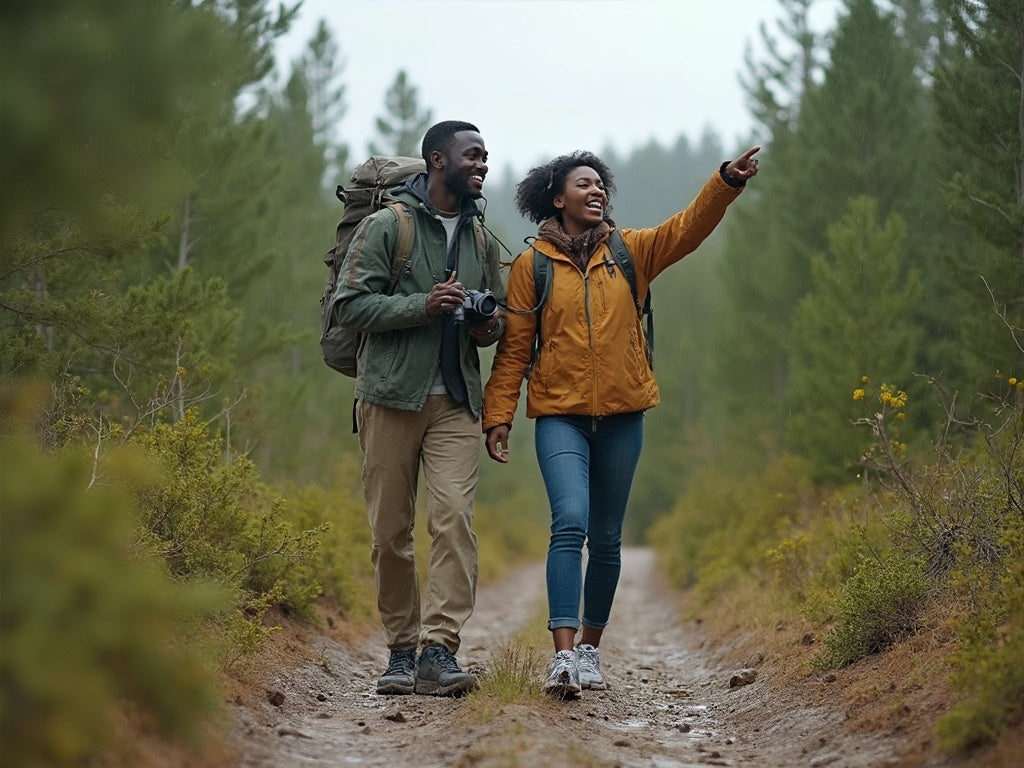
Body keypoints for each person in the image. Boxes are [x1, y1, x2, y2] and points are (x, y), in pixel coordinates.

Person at [482, 146, 760, 697]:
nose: (595, 191)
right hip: (560, 417)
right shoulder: (530, 266)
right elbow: (514, 351)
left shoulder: (630, 250)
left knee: (607, 537)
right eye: (583, 184)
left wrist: (724, 181)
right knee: (571, 521)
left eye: (600, 184)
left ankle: (589, 650)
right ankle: (561, 659)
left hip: (623, 415)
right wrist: (499, 417)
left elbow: (687, 228)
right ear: (557, 198)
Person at [332, 120, 506, 696]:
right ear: (438, 160)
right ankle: (401, 653)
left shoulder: (482, 238)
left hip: (455, 400)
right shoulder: (390, 226)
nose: (482, 164)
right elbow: (350, 306)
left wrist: (485, 325)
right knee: (391, 533)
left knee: (454, 520)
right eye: (472, 155)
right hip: (388, 396)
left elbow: (492, 321)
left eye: (485, 156)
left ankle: (439, 650)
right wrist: (421, 305)